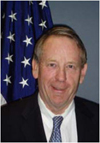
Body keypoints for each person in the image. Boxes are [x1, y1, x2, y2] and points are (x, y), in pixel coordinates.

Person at [1, 25, 99, 142]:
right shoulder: (4, 123)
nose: (61, 77)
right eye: (52, 65)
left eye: (70, 66)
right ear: (35, 68)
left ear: (82, 73)